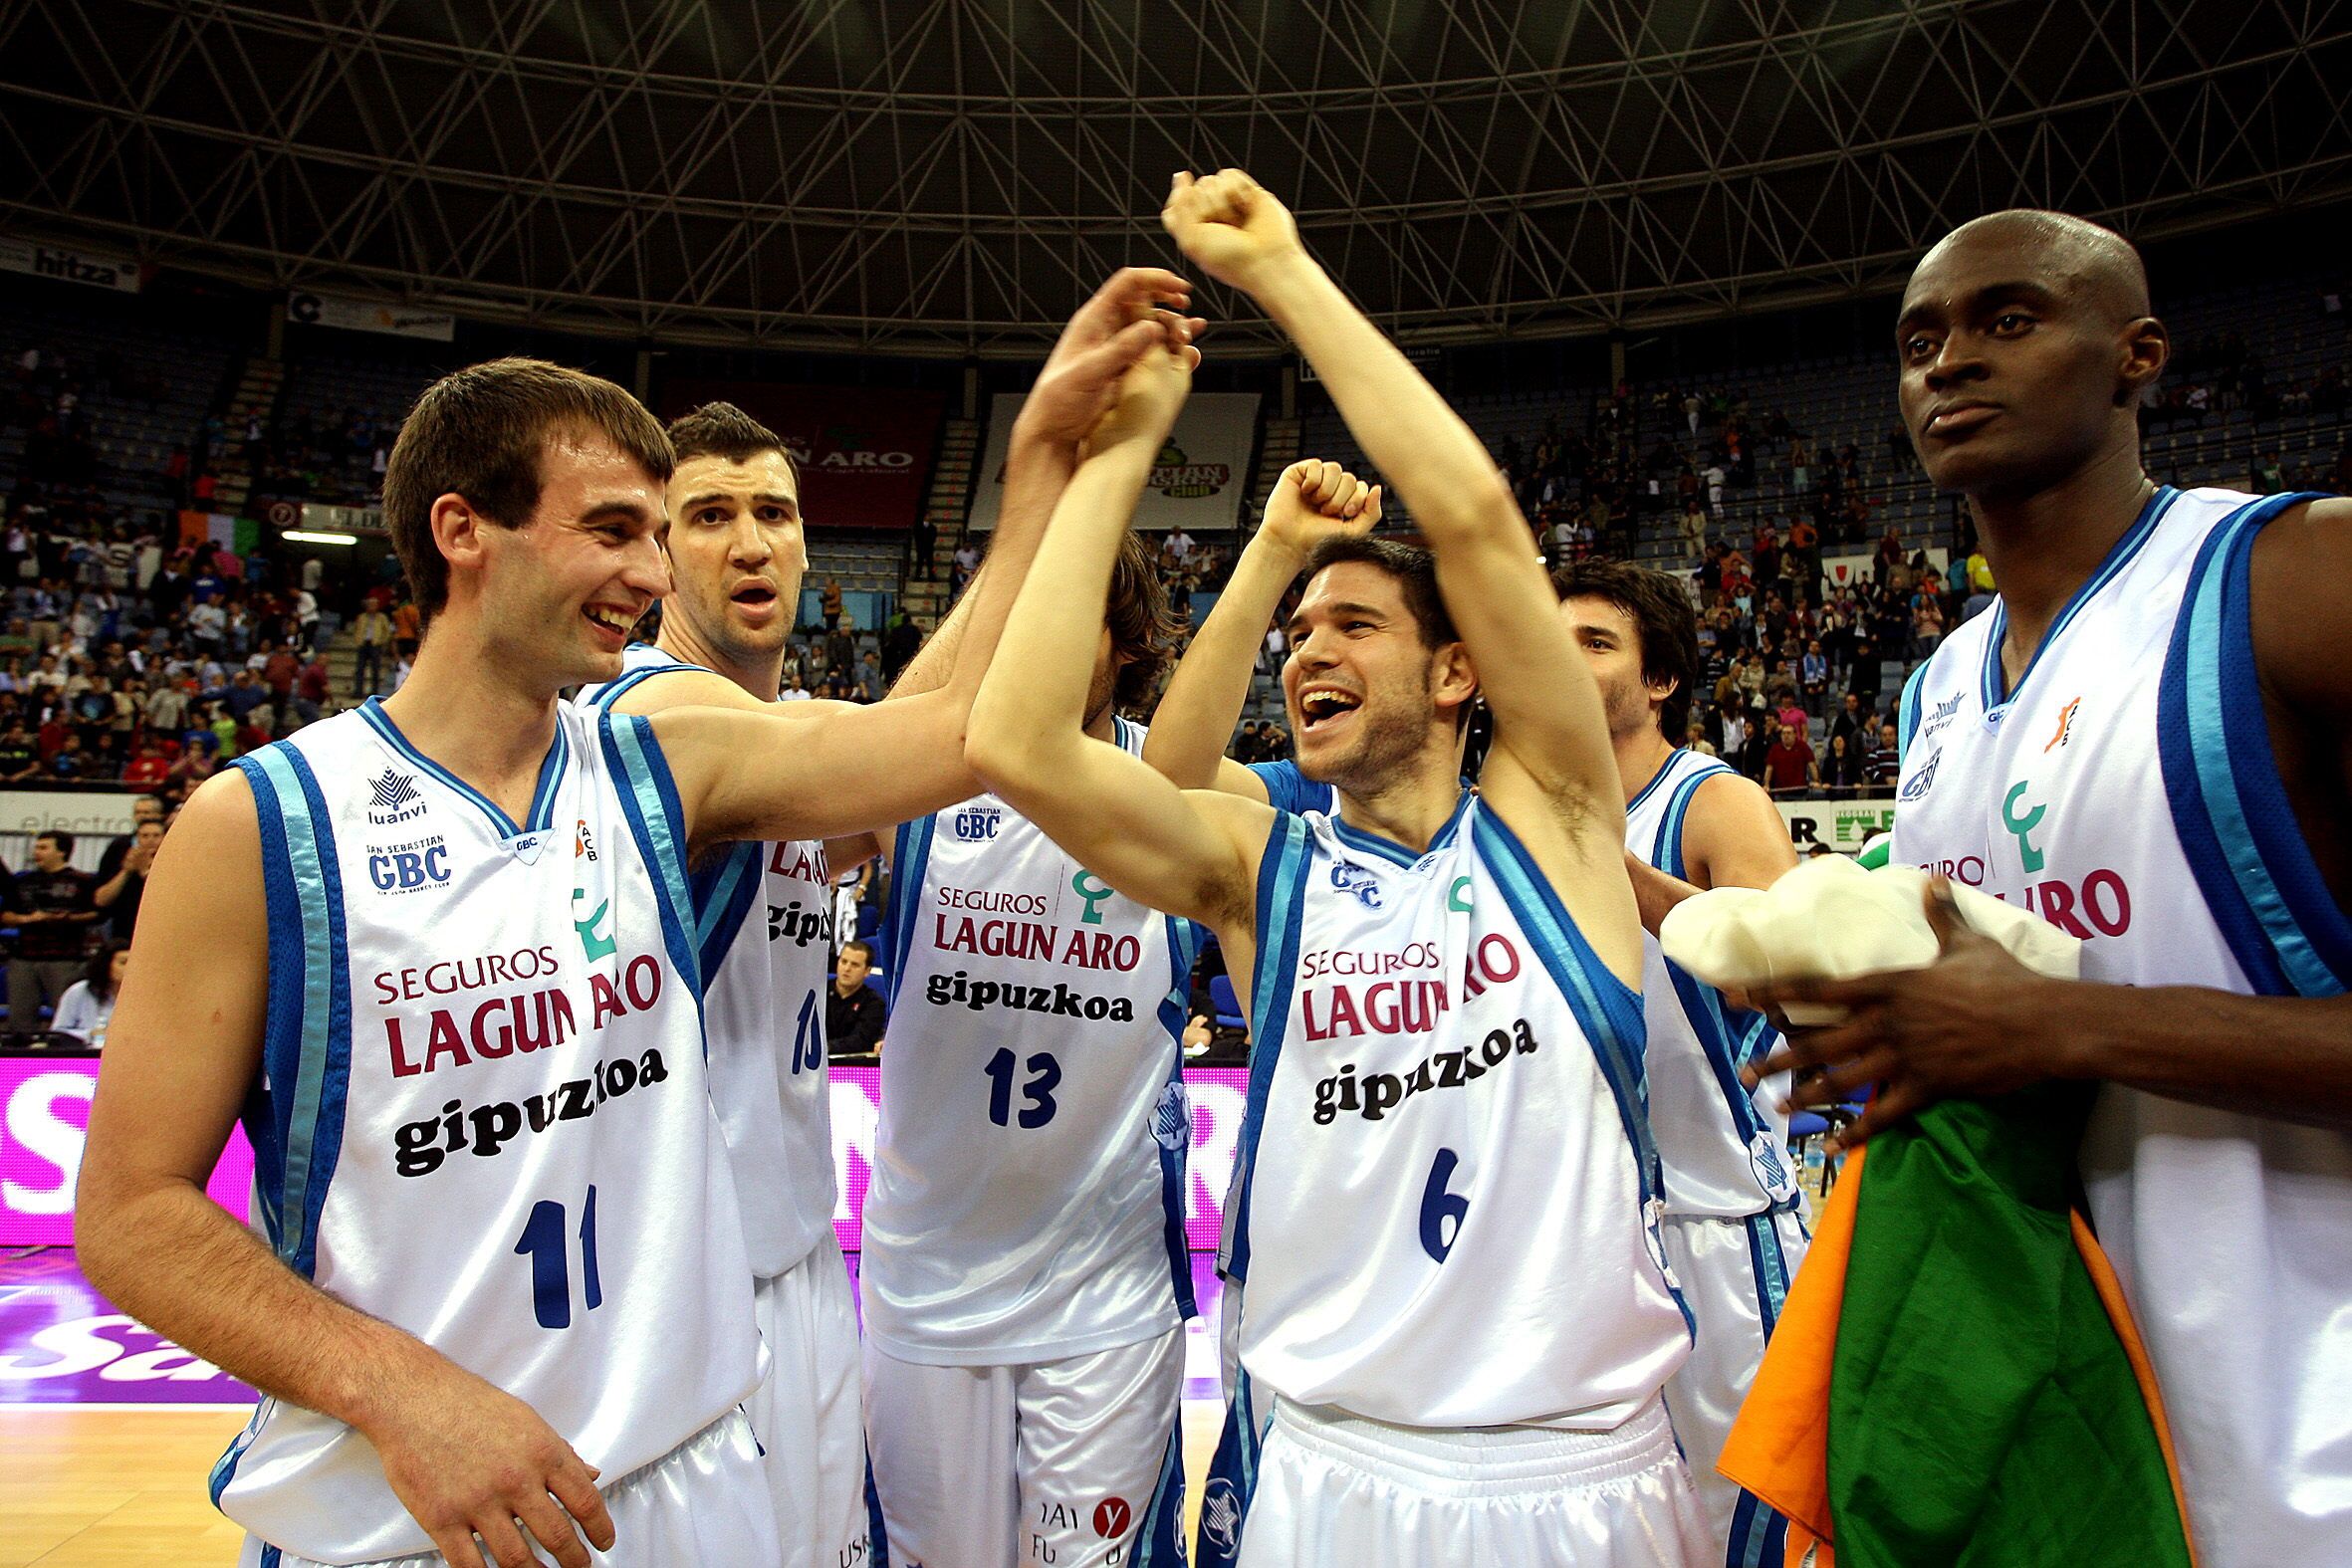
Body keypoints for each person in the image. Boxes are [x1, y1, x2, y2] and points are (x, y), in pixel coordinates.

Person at [75, 353, 1099, 1568]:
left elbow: (978, 737)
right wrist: (401, 1392)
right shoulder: (259, 823)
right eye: (619, 531)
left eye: (662, 536)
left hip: (694, 1462)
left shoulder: (656, 771)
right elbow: (132, 1214)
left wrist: (1045, 469)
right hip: (419, 1499)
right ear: (463, 530)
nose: (653, 574)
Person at [968, 168, 1707, 1567]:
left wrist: (1284, 277)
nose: (1305, 650)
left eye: (1351, 623)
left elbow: (1480, 523)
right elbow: (1012, 737)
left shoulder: (1552, 812)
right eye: (1296, 633)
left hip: (1574, 1476)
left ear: (1451, 672)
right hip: (1326, 1470)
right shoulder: (1265, 869)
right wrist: (1122, 450)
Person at [1755, 209, 2352, 1567]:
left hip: (2303, 1453)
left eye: (2006, 319)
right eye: (1919, 342)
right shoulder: (1938, 690)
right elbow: (1983, 1043)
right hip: (2047, 1437)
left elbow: (2042, 1019)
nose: (1949, 361)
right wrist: (1871, 1026)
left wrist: (2068, 1025)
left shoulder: (2299, 578)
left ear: (2136, 353)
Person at [858, 518, 1206, 1568]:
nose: (1039, 641)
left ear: (1128, 641)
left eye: (1072, 617)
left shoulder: (1187, 788)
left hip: (1107, 1288)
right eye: (1020, 614)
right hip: (928, 1281)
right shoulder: (913, 781)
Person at [8, 830, 99, 1028]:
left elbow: (96, 914)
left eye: (43, 847)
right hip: (26, 955)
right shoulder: (23, 881)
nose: (36, 852)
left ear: (62, 852)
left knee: (66, 1012)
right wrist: (27, 919)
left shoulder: (82, 882)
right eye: (36, 847)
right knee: (19, 1016)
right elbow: (6, 914)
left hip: (64, 957)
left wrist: (68, 918)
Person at [52, 941, 127, 1047]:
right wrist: (89, 1034)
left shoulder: (144, 995)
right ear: (106, 965)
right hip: (87, 1055)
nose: (130, 968)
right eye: (124, 963)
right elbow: (58, 1032)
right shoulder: (79, 991)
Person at [824, 939, 886, 1056]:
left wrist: (826, 1047)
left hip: (850, 1065)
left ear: (867, 971)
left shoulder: (874, 1003)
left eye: (855, 965)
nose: (847, 969)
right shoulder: (819, 993)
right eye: (844, 962)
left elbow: (862, 1041)